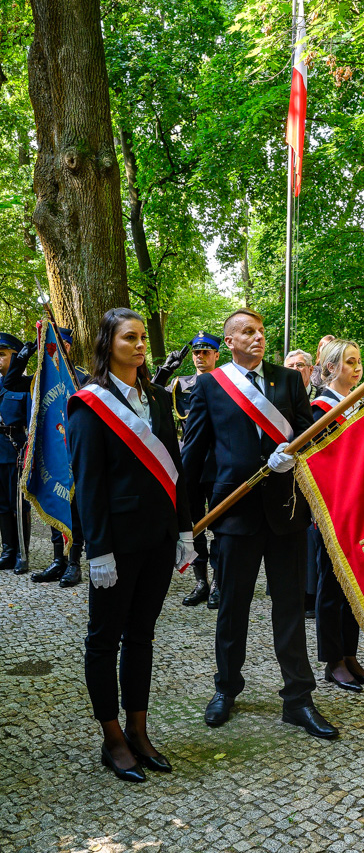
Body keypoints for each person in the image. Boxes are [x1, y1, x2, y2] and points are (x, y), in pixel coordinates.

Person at [182, 307, 338, 739]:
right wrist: (186, 524)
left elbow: (310, 438)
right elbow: (192, 458)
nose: (257, 338)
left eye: (261, 332)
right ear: (228, 342)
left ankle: (298, 699)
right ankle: (226, 688)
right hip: (234, 516)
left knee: (289, 607)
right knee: (232, 609)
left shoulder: (288, 381)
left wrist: (294, 457)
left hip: (285, 513)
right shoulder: (211, 385)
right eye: (246, 332)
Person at [68, 308, 194, 782]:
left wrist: (184, 530)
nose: (141, 346)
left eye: (143, 338)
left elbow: (175, 470)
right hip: (116, 546)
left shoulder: (160, 399)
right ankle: (113, 737)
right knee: (103, 639)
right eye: (130, 338)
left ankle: (140, 731)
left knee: (141, 635)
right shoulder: (89, 403)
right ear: (108, 344)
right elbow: (90, 483)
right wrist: (96, 550)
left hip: (159, 539)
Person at [311, 339, 364, 692]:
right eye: (350, 362)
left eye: (359, 361)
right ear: (331, 367)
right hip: (333, 508)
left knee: (352, 588)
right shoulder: (319, 409)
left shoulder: (356, 405)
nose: (357, 367)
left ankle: (351, 655)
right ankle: (333, 661)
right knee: (330, 587)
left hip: (360, 507)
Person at [155, 331, 221, 609]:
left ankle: (219, 581)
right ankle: (200, 581)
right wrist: (164, 371)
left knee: (220, 524)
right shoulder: (180, 385)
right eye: (197, 352)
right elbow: (152, 395)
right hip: (188, 463)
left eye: (206, 352)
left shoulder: (226, 382)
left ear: (217, 354)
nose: (200, 356)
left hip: (218, 462)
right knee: (192, 525)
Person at [30, 326, 90, 588]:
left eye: (61, 344)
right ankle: (58, 561)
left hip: (75, 451)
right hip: (51, 455)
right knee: (54, 501)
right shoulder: (40, 379)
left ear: (68, 346)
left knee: (74, 508)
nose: (56, 348)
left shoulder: (83, 377)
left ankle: (74, 563)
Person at [285, 348, 322, 617]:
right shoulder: (276, 400)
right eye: (291, 366)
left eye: (301, 365)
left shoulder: (322, 401)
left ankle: (314, 592)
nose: (297, 370)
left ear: (311, 370)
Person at [0, 333, 32, 575]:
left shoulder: (27, 385)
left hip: (16, 450)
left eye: (2, 355)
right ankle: (7, 550)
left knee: (17, 505)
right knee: (1, 505)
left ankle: (22, 551)